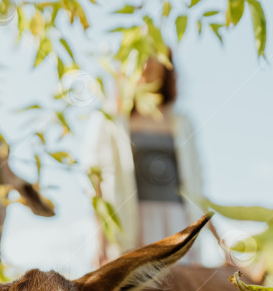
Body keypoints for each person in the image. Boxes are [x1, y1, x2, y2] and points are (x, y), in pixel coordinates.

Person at [86, 49, 205, 265]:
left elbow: (197, 186)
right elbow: (97, 186)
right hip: (131, 225)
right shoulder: (110, 120)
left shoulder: (182, 121)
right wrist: (101, 244)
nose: (146, 68)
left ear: (166, 68)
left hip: (178, 224)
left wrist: (220, 243)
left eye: (153, 60)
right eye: (139, 61)